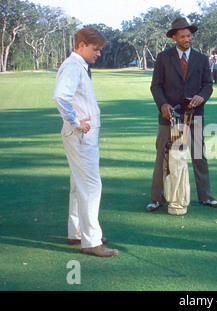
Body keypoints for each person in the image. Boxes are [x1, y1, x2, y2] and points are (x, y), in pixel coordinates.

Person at [53, 27, 118, 258]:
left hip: (82, 134)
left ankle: (77, 232)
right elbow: (61, 96)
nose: (98, 54)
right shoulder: (73, 66)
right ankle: (91, 240)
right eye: (95, 49)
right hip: (81, 135)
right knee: (91, 186)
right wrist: (75, 121)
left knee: (78, 184)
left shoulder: (78, 66)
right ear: (81, 45)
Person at [147, 17, 217, 214]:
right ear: (174, 37)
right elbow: (155, 86)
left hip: (195, 114)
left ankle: (205, 196)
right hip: (169, 115)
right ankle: (156, 198)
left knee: (199, 154)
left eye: (189, 36)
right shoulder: (163, 58)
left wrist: (201, 97)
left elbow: (208, 85)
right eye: (182, 36)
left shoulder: (201, 58)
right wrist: (163, 104)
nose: (187, 39)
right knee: (162, 156)